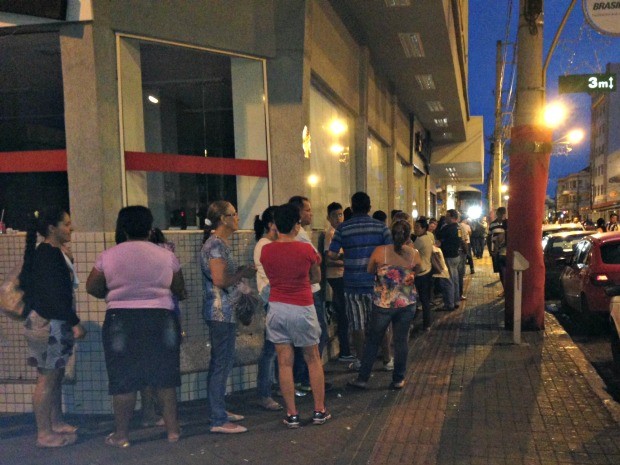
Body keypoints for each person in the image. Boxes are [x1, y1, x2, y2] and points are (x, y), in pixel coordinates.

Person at [86, 206, 186, 447]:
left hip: (121, 319)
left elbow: (92, 287)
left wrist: (115, 292)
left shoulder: (109, 255)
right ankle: (173, 431)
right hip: (161, 318)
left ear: (123, 228)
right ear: (149, 228)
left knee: (123, 377)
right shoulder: (166, 255)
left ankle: (122, 435)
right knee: (165, 376)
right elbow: (179, 289)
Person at [260, 203, 331, 428]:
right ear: (296, 224)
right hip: (302, 307)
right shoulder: (305, 250)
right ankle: (319, 410)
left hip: (277, 308)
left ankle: (292, 414)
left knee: (284, 362)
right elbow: (316, 276)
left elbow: (271, 276)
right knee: (313, 359)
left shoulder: (266, 250)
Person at [20, 208, 86, 448]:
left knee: (54, 374)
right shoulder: (49, 254)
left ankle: (54, 423)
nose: (71, 228)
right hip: (50, 325)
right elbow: (56, 295)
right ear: (52, 228)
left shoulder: (47, 253)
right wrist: (75, 322)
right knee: (47, 378)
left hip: (46, 322)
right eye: (66, 224)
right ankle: (44, 432)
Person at [199, 201, 257, 434]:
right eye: (233, 214)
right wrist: (242, 273)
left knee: (221, 362)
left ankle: (218, 409)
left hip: (223, 311)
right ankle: (218, 418)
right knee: (221, 363)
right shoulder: (215, 246)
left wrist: (239, 271)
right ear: (222, 219)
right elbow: (220, 280)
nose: (237, 217)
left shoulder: (219, 244)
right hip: (219, 310)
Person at [348, 220, 420, 390]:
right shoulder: (413, 253)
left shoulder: (380, 252)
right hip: (406, 302)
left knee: (373, 340)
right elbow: (419, 269)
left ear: (390, 234)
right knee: (401, 341)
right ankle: (398, 379)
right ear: (409, 236)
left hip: (383, 303)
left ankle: (363, 378)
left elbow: (370, 270)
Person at [328, 192, 393, 370]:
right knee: (381, 323)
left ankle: (362, 360)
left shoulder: (343, 228)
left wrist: (347, 254)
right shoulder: (381, 228)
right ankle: (387, 360)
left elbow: (332, 254)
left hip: (352, 284)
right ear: (369, 207)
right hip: (377, 284)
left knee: (357, 324)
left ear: (352, 207)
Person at [288, 196, 328, 392]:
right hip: (309, 292)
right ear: (298, 212)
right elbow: (316, 259)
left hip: (306, 291)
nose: (311, 213)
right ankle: (308, 378)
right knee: (317, 337)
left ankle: (305, 377)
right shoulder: (299, 235)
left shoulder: (300, 232)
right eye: (307, 210)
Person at [253, 206, 283, 411]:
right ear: (271, 224)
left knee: (277, 347)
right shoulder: (264, 245)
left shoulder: (269, 244)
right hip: (272, 297)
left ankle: (273, 388)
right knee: (271, 348)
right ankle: (264, 393)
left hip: (276, 296)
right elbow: (271, 274)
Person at [324, 202, 354, 362]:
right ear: (328, 218)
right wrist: (346, 261)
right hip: (336, 277)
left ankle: (346, 349)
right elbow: (328, 260)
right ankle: (344, 351)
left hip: (341, 276)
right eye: (335, 215)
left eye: (341, 214)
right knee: (343, 314)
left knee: (344, 313)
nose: (339, 218)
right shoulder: (331, 234)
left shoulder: (340, 232)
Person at [436, 209, 464, 311]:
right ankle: (456, 300)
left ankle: (449, 304)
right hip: (456, 256)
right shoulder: (458, 228)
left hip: (448, 256)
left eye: (447, 216)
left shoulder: (448, 228)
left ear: (452, 217)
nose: (445, 218)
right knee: (455, 279)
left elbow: (438, 235)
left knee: (447, 281)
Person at [413, 218, 434, 330]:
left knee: (422, 299)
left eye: (417, 227)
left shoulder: (419, 240)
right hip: (427, 269)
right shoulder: (428, 237)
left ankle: (425, 323)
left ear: (423, 228)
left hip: (421, 273)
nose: (415, 229)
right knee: (425, 299)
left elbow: (410, 253)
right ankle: (427, 323)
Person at [488, 207, 508, 294]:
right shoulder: (492, 224)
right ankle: (505, 289)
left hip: (505, 251)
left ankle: (507, 290)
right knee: (500, 271)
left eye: (504, 214)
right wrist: (490, 251)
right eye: (501, 214)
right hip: (497, 251)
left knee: (505, 272)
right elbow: (489, 237)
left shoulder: (508, 223)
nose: (502, 216)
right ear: (498, 214)